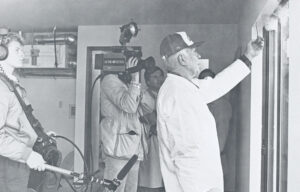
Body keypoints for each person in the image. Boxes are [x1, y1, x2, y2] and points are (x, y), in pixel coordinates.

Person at [156, 31, 264, 192]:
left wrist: (248, 56)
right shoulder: (177, 94)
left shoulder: (184, 86)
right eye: (193, 51)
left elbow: (215, 85)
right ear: (182, 58)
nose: (198, 56)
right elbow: (187, 153)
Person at [0, 29, 46, 191]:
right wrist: (27, 154)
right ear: (1, 52)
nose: (22, 55)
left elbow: (19, 119)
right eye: (17, 50)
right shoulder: (1, 87)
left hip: (19, 157)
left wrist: (38, 134)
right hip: (9, 162)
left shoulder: (12, 84)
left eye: (22, 50)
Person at [100, 57, 148, 192]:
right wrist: (135, 78)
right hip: (119, 151)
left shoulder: (126, 83)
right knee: (114, 190)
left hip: (133, 150)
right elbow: (129, 106)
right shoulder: (110, 80)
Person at [138, 66, 165, 192]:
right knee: (151, 181)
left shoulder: (166, 93)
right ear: (147, 81)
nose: (159, 79)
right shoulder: (143, 96)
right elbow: (152, 119)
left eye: (161, 76)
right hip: (151, 142)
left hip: (165, 141)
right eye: (155, 77)